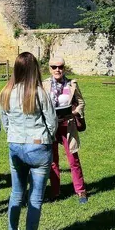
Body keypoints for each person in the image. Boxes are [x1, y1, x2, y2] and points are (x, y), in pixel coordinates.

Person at [0, 52, 57, 230]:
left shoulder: (6, 91)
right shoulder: (39, 92)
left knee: (16, 192)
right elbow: (51, 121)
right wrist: (47, 138)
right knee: (35, 198)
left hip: (15, 145)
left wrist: (13, 136)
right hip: (38, 145)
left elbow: (4, 120)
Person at [43, 56, 88, 204]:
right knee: (52, 161)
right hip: (51, 127)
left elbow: (81, 102)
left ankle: (81, 191)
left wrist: (75, 112)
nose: (58, 70)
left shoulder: (72, 84)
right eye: (54, 67)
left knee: (73, 159)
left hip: (68, 126)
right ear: (50, 68)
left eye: (60, 67)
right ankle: (55, 192)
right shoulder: (43, 85)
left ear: (64, 68)